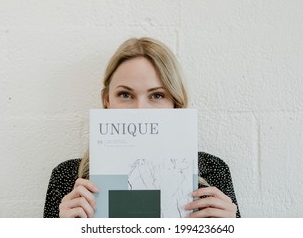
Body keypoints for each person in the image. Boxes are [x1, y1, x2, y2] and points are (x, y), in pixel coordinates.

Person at [43, 37, 241, 218]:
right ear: (107, 101)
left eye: (157, 95)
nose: (140, 109)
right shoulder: (69, 177)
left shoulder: (211, 172)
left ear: (176, 104)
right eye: (125, 95)